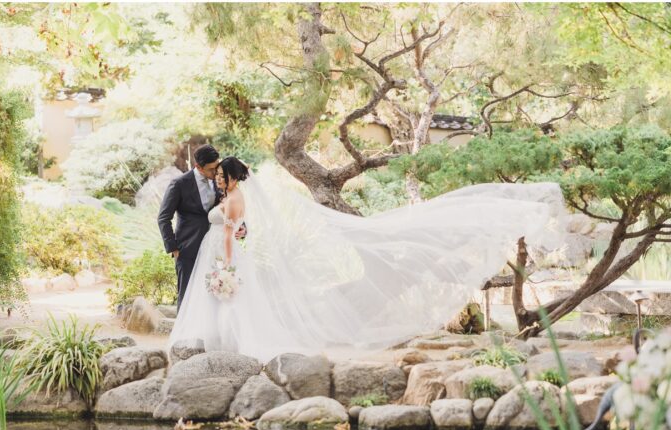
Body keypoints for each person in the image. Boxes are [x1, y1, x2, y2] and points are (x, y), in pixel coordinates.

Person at [168, 157, 566, 361]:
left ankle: (227, 346)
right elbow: (237, 226)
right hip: (222, 253)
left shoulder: (234, 197)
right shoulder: (233, 196)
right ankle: (221, 345)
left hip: (224, 256)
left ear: (231, 177)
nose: (217, 178)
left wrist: (226, 261)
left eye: (221, 174)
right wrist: (234, 237)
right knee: (229, 301)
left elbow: (229, 231)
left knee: (231, 298)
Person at [157, 144, 245, 312]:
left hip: (214, 249)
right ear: (198, 166)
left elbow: (229, 207)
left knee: (215, 296)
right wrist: (173, 248)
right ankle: (184, 337)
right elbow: (163, 218)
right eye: (212, 169)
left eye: (217, 167)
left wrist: (241, 227)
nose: (216, 173)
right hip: (187, 249)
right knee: (187, 296)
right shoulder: (179, 184)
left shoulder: (219, 181)